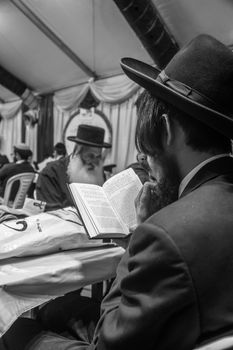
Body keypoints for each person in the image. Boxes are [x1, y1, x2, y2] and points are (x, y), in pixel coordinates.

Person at [2, 34, 233, 350]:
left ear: (164, 130)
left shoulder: (166, 234)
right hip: (187, 324)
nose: (146, 163)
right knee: (57, 309)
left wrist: (140, 237)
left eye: (145, 150)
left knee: (16, 330)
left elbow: (106, 341)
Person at [36, 124, 111, 210]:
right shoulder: (51, 173)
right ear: (77, 152)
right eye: (90, 156)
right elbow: (52, 215)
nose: (93, 162)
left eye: (98, 157)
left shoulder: (97, 172)